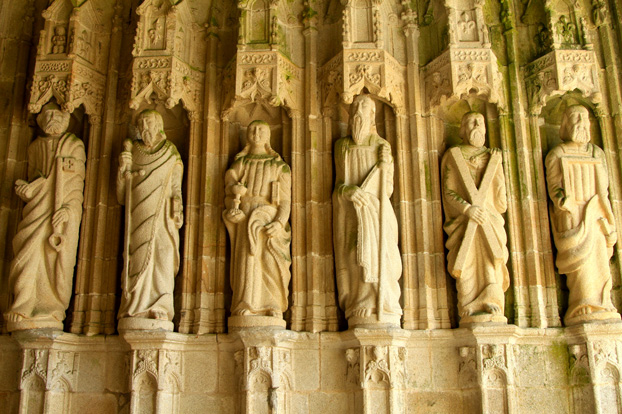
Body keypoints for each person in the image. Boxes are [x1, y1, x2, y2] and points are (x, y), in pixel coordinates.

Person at [5, 102, 86, 331]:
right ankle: (22, 304)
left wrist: (68, 210)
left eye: (58, 114)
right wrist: (29, 190)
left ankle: (51, 308)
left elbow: (75, 185)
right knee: (26, 251)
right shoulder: (34, 148)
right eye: (47, 114)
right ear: (39, 119)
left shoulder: (74, 145)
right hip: (37, 210)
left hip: (59, 214)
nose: (53, 119)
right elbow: (37, 177)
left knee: (52, 258)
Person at [545, 104, 619, 325]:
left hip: (595, 213)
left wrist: (607, 216)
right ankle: (582, 304)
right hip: (573, 215)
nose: (580, 122)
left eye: (583, 118)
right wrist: (561, 200)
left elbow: (603, 188)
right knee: (580, 262)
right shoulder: (558, 153)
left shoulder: (597, 152)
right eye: (574, 117)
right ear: (566, 124)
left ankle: (603, 302)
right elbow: (554, 184)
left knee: (600, 260)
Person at [333, 94, 402, 327]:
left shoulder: (382, 145)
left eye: (363, 107)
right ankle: (359, 302)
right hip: (351, 212)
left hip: (376, 211)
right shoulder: (342, 146)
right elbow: (338, 186)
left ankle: (384, 302)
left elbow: (389, 188)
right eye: (354, 107)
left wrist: (387, 164)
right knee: (354, 252)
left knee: (379, 253)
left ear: (372, 115)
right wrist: (347, 192)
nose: (357, 111)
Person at [117, 109, 183, 330]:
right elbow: (120, 195)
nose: (146, 128)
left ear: (159, 125)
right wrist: (122, 169)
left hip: (163, 216)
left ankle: (161, 305)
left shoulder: (170, 153)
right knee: (137, 257)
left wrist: (178, 208)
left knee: (164, 256)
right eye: (142, 124)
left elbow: (176, 186)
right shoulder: (133, 152)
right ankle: (135, 306)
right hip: (139, 213)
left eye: (150, 123)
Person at [441, 111, 509, 325]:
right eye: (470, 121)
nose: (476, 125)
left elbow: (500, 199)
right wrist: (467, 209)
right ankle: (468, 304)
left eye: (480, 122)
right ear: (461, 130)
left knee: (491, 257)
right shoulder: (454, 155)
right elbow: (448, 191)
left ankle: (492, 299)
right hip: (465, 219)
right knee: (466, 256)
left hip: (490, 218)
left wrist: (497, 170)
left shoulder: (493, 156)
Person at [223, 120, 292, 325]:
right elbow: (229, 194)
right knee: (248, 261)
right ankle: (246, 304)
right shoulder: (240, 164)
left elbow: (286, 200)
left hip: (269, 217)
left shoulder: (279, 166)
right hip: (245, 218)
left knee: (271, 261)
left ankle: (273, 305)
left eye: (261, 130)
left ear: (268, 135)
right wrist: (232, 211)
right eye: (252, 129)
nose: (256, 133)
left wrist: (279, 222)